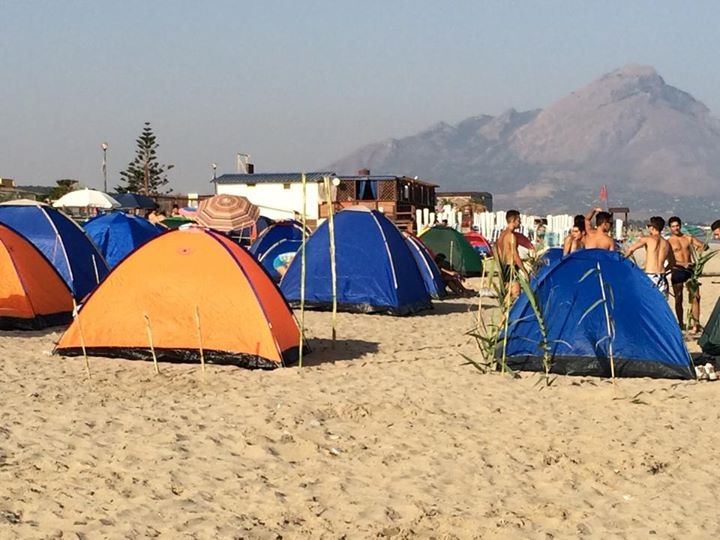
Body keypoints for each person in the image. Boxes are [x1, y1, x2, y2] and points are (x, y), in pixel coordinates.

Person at [667, 216, 706, 332]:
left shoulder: (688, 238)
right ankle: (680, 323)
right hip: (677, 269)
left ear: (680, 226)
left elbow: (703, 246)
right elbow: (669, 259)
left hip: (690, 270)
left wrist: (699, 250)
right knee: (679, 298)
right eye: (673, 226)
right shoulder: (669, 241)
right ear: (670, 227)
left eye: (677, 226)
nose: (676, 228)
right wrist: (682, 264)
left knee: (696, 297)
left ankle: (696, 324)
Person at [624, 216, 675, 298]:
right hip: (662, 276)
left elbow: (630, 250)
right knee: (661, 304)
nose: (648, 228)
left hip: (650, 275)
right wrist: (665, 271)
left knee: (648, 303)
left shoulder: (647, 239)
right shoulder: (667, 243)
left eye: (648, 226)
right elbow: (672, 262)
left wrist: (621, 259)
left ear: (653, 227)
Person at [494, 209, 527, 299]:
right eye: (518, 220)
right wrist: (524, 271)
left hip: (503, 267)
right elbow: (515, 255)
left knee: (507, 296)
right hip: (511, 267)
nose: (520, 222)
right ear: (513, 221)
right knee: (516, 295)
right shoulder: (511, 236)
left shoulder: (502, 235)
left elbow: (496, 251)